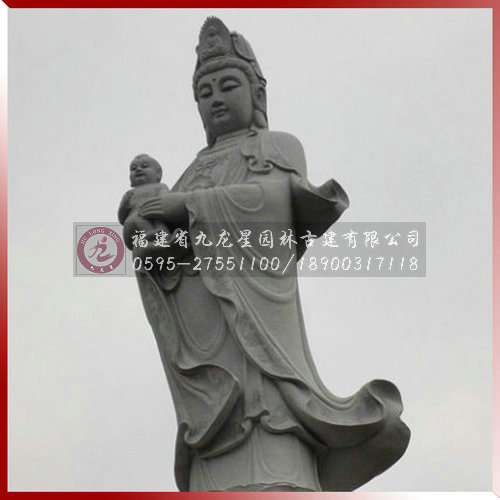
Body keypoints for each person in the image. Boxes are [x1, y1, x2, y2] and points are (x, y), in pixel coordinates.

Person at [127, 17, 410, 491]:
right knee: (215, 408)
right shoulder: (191, 170)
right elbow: (172, 249)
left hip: (259, 309)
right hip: (204, 326)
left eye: (228, 86)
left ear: (257, 94)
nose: (216, 99)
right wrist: (152, 246)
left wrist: (186, 207)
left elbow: (272, 204)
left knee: (268, 405)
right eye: (205, 93)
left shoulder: (276, 145)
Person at [118, 154, 172, 251]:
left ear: (158, 173)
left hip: (153, 219)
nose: (138, 169)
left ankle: (161, 235)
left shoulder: (160, 187)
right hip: (132, 226)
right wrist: (124, 204)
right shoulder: (130, 193)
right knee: (137, 218)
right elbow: (121, 218)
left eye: (144, 166)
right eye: (133, 168)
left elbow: (166, 200)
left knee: (157, 214)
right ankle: (154, 235)